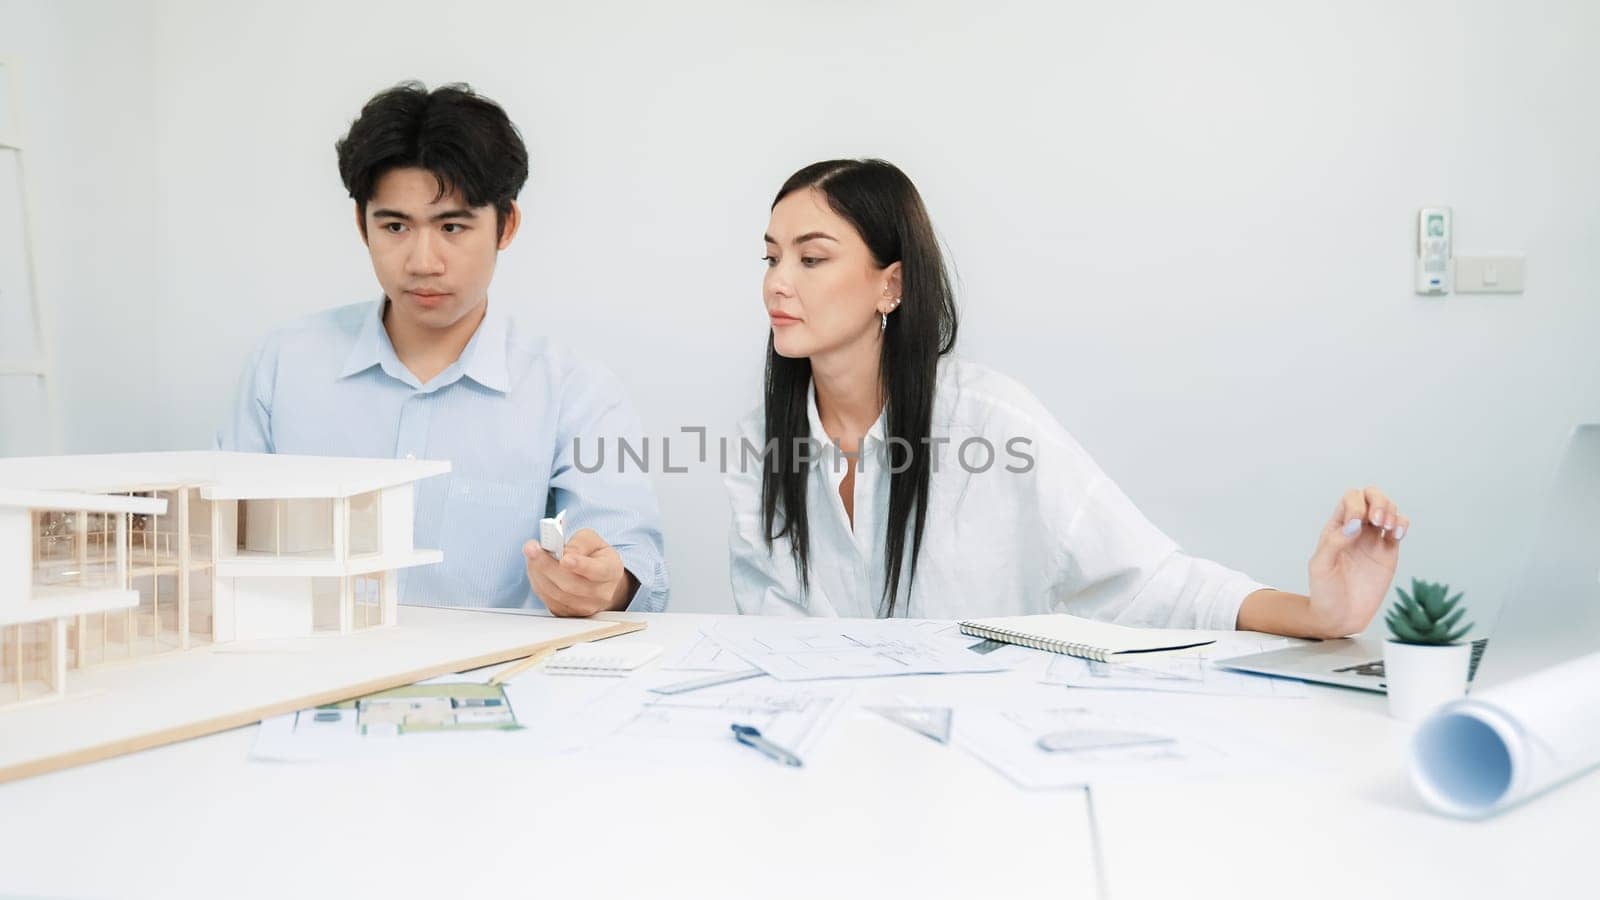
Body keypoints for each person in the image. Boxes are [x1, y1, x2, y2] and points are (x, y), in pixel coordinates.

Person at [725, 158, 1404, 637]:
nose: (778, 283)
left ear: (891, 285)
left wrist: (1324, 615)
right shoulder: (759, 443)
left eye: (810, 259)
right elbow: (771, 639)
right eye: (771, 257)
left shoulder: (992, 423)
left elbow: (1148, 583)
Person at [218, 82, 667, 616]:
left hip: (500, 683)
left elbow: (634, 563)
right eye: (395, 226)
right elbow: (217, 537)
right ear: (362, 225)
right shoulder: (284, 365)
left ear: (507, 225)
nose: (423, 261)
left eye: (452, 226)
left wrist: (602, 585)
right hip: (306, 670)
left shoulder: (574, 390)